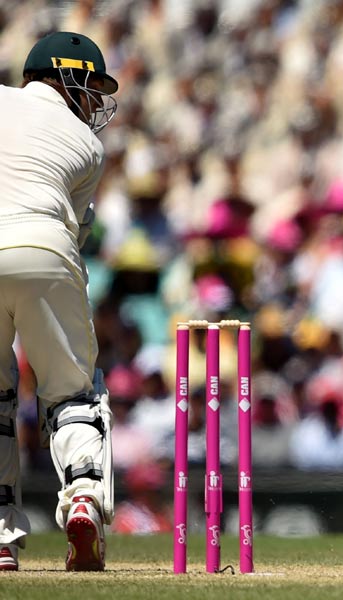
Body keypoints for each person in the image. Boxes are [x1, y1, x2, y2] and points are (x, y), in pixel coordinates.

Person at [0, 31, 118, 571]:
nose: (95, 102)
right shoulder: (87, 146)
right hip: (43, 243)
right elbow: (76, 237)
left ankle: (1, 538)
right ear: (65, 76)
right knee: (72, 391)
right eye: (91, 86)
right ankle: (85, 498)